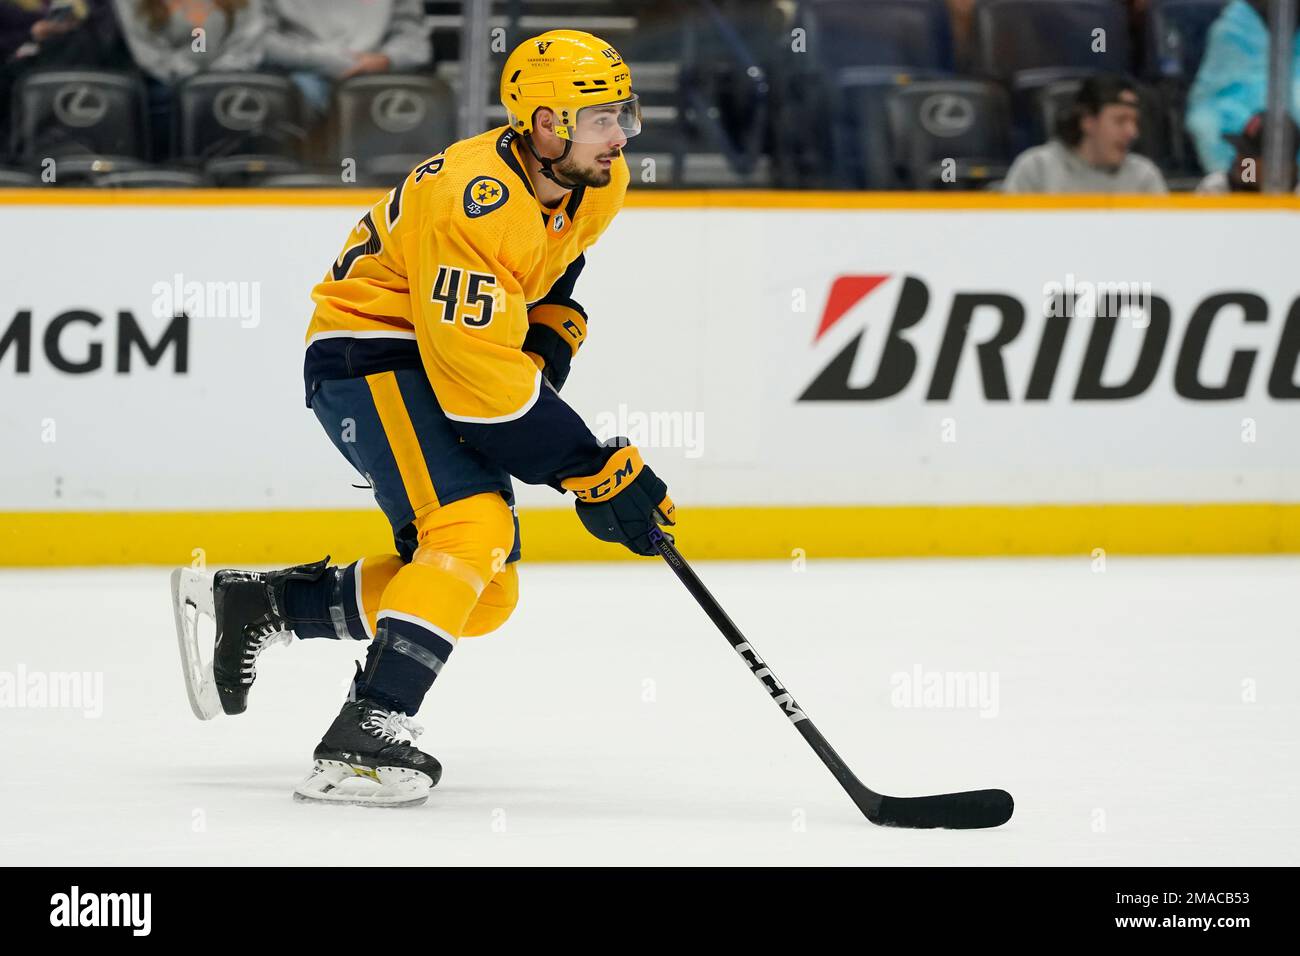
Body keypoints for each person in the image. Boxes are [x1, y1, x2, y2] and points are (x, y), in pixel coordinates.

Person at [171, 31, 673, 808]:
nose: (622, 136)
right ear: (545, 122)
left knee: (488, 591)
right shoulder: (476, 200)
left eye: (624, 115)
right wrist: (589, 469)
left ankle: (264, 605)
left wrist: (549, 331)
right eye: (603, 118)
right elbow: (478, 383)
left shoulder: (596, 178)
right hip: (367, 352)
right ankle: (365, 735)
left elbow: (550, 269)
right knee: (470, 529)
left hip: (433, 356)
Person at [112, 0, 267, 158]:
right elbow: (147, 52)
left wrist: (215, 75)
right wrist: (193, 79)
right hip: (165, 80)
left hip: (229, 75)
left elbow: (247, 42)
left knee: (250, 100)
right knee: (164, 99)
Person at [263, 0, 431, 121]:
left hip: (378, 75)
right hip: (302, 72)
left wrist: (386, 59)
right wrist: (327, 61)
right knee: (294, 95)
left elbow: (414, 40)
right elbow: (260, 42)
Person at [1185, 0, 1300, 177]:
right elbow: (1208, 98)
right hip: (1242, 133)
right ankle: (1247, 186)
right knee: (1214, 129)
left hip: (1292, 167)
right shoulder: (1233, 28)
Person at [1002, 73, 1167, 193]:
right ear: (1088, 121)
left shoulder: (1144, 178)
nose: (1132, 132)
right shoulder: (1036, 169)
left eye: (1135, 122)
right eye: (1120, 120)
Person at [1195, 110, 1300, 193]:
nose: (1241, 159)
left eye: (1250, 155)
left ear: (1281, 166)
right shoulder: (1216, 190)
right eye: (1240, 150)